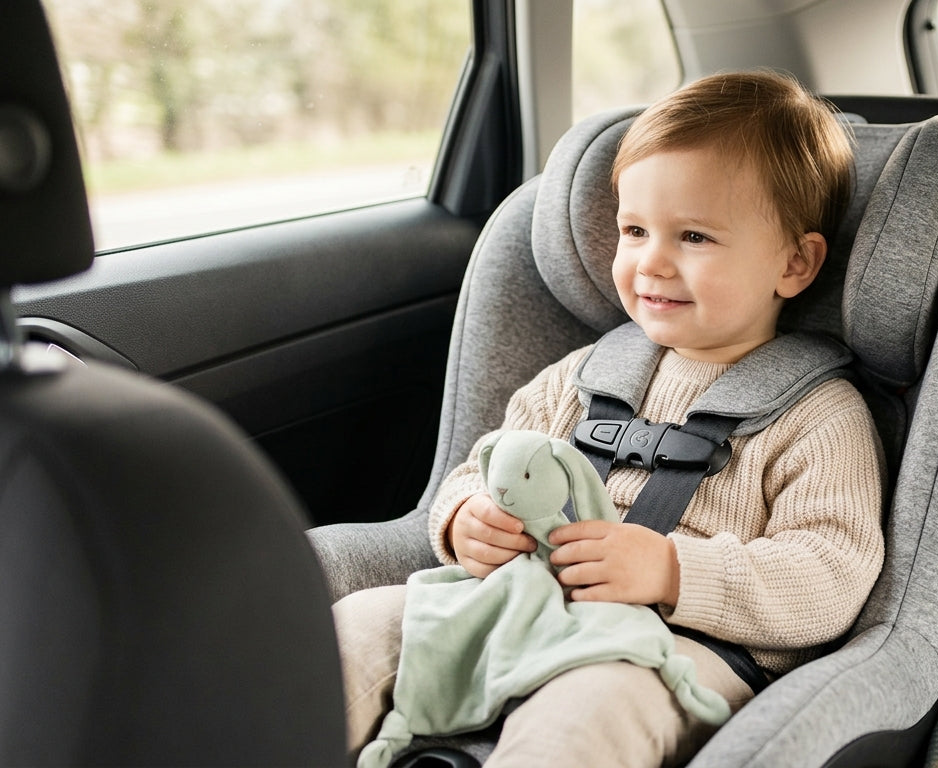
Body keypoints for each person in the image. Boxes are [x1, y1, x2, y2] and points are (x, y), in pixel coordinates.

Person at [333, 69, 885, 768]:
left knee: (586, 715)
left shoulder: (819, 417)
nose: (651, 262)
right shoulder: (581, 376)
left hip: (672, 649)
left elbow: (831, 575)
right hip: (521, 603)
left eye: (694, 236)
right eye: (634, 230)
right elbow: (487, 467)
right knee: (355, 628)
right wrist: (466, 518)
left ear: (795, 263)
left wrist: (673, 570)